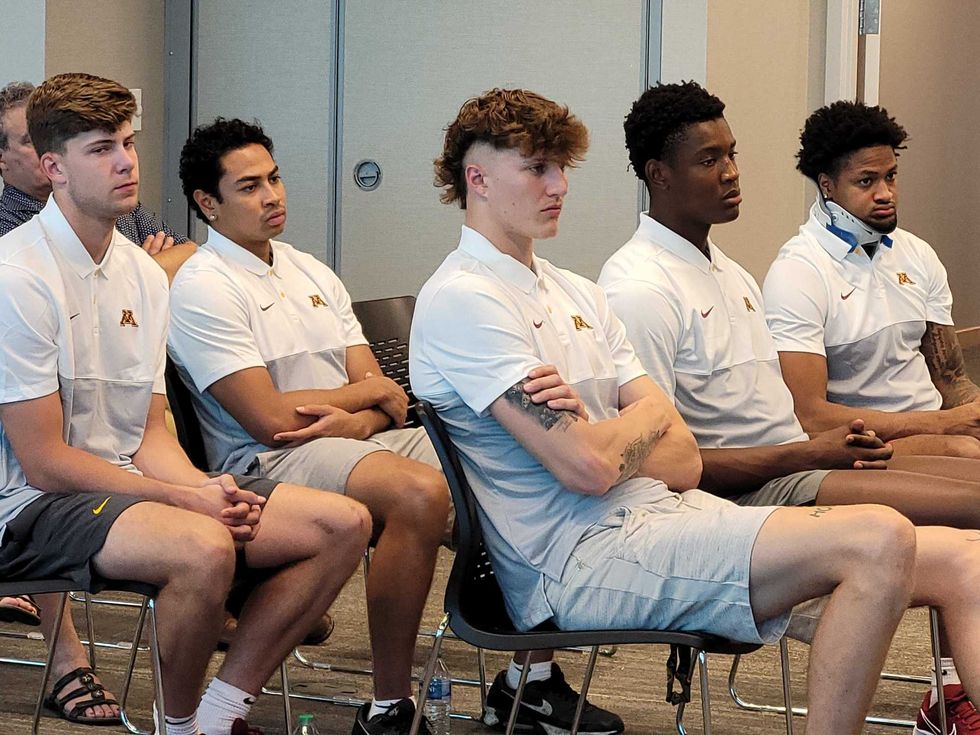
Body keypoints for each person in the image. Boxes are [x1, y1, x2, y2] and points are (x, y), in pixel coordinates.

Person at [408, 85, 974, 735]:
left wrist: (624, 430)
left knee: (965, 558)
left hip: (664, 516)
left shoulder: (578, 292)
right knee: (879, 535)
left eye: (563, 167)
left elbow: (677, 458)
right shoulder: (464, 298)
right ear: (476, 178)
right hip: (578, 560)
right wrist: (637, 423)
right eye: (537, 167)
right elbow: (590, 468)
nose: (559, 183)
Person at [599, 80, 980, 734]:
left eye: (734, 154)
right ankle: (950, 701)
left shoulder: (726, 271)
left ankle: (952, 699)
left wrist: (826, 447)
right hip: (748, 499)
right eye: (709, 160)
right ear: (659, 175)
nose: (732, 173)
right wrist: (810, 449)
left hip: (797, 469)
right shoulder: (638, 288)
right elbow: (666, 472)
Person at [0, 72, 371, 735]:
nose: (124, 162)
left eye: (128, 143)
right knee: (202, 545)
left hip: (126, 488)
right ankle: (180, 728)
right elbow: (45, 461)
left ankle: (219, 712)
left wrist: (205, 485)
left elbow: (147, 433)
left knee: (340, 523)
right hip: (27, 504)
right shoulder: (17, 276)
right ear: (52, 167)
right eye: (99, 149)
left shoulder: (143, 272)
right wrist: (188, 502)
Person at [763, 100, 980, 459]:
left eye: (890, 176)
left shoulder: (917, 253)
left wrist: (971, 412)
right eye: (866, 181)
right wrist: (942, 424)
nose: (885, 194)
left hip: (938, 428)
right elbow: (809, 415)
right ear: (827, 186)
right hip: (865, 441)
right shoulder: (798, 272)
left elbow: (952, 379)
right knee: (966, 453)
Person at [0, 80, 196, 281]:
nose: (127, 163)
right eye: (33, 141)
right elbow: (68, 290)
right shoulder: (7, 235)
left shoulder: (109, 199)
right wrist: (143, 274)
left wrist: (142, 272)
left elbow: (191, 254)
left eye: (128, 143)